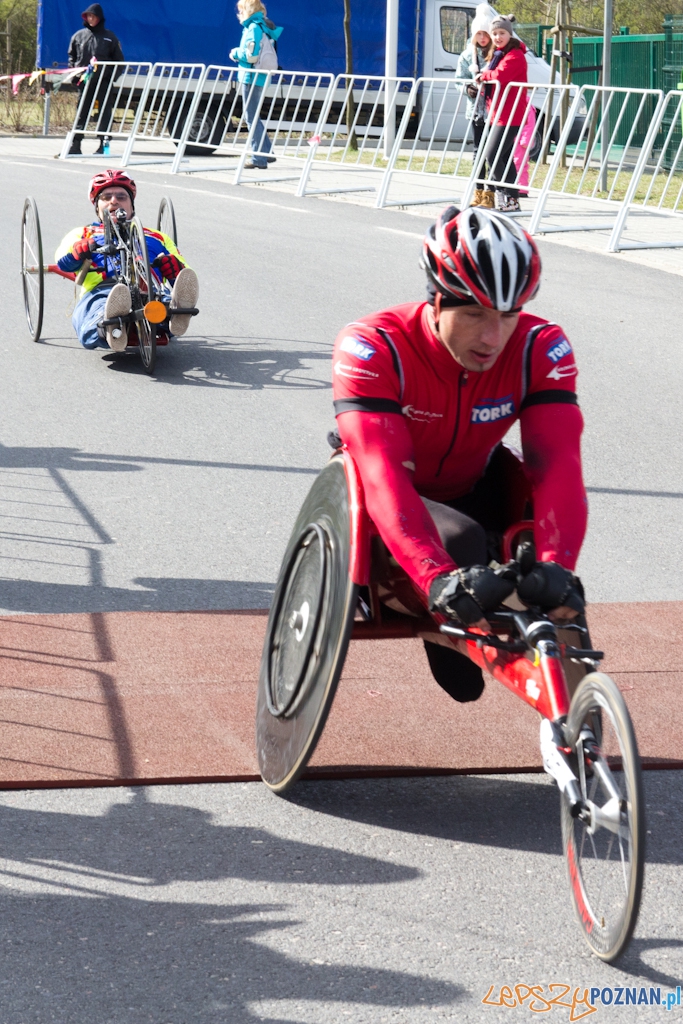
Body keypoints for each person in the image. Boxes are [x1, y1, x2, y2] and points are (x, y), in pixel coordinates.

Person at [332, 206, 586, 703]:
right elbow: (384, 477)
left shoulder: (541, 346)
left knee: (551, 583)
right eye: (473, 314)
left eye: (508, 315)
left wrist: (559, 568)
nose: (493, 337)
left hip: (477, 481)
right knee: (463, 541)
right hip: (395, 491)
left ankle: (579, 733)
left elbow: (558, 465)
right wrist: (437, 577)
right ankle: (432, 611)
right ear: (436, 300)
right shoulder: (373, 346)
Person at [55, 170, 199, 353]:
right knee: (90, 322)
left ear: (131, 205)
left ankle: (174, 313)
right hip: (102, 291)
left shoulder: (156, 236)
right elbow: (62, 263)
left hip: (150, 289)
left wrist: (174, 269)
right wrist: (76, 254)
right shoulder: (82, 233)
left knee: (163, 300)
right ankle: (110, 322)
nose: (114, 201)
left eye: (121, 196)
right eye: (106, 197)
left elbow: (185, 271)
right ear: (97, 206)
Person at [474, 14, 528, 213]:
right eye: (494, 33)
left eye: (502, 33)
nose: (497, 37)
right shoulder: (498, 54)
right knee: (502, 156)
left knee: (492, 155)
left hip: (511, 114)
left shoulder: (515, 55)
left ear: (510, 34)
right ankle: (511, 200)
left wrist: (484, 75)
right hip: (498, 113)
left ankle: (504, 194)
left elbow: (501, 75)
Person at [229, 0, 283, 170]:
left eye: (241, 11)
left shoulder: (253, 28)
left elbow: (250, 56)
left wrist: (235, 53)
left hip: (250, 77)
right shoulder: (264, 26)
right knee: (253, 116)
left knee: (250, 117)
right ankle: (267, 152)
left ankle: (258, 158)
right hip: (261, 77)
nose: (239, 14)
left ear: (247, 11)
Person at [67, 4, 125, 156]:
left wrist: (110, 77)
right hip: (85, 81)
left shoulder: (110, 37)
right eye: (88, 16)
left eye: (93, 16)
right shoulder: (78, 36)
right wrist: (75, 76)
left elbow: (119, 61)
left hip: (103, 82)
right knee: (82, 112)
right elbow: (72, 57)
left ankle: (103, 146)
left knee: (104, 113)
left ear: (99, 18)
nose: (90, 19)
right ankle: (76, 144)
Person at [456, 5, 496, 209]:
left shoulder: (496, 54)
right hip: (476, 111)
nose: (482, 37)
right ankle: (478, 191)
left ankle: (491, 193)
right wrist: (467, 89)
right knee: (477, 151)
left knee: (492, 152)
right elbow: (458, 80)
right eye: (479, 33)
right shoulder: (466, 56)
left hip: (494, 111)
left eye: (486, 33)